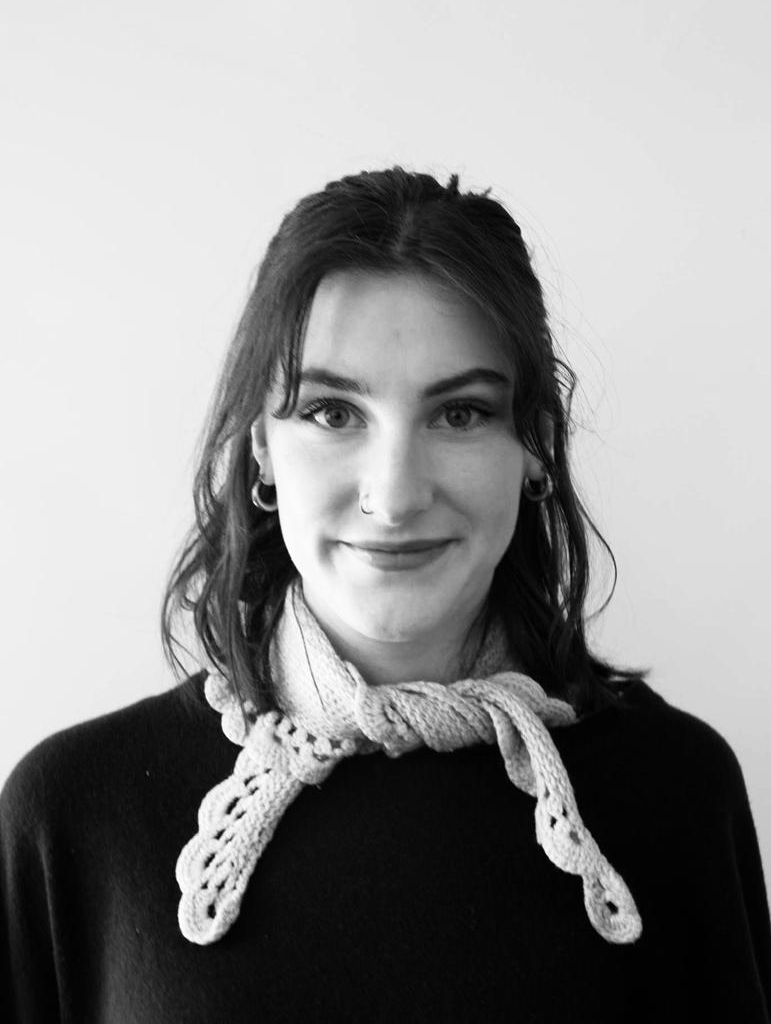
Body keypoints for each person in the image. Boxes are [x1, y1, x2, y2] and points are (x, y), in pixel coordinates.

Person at [1, 167, 769, 1023]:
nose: (395, 497)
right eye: (333, 413)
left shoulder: (678, 790)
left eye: (460, 414)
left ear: (534, 447)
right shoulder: (72, 811)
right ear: (261, 453)